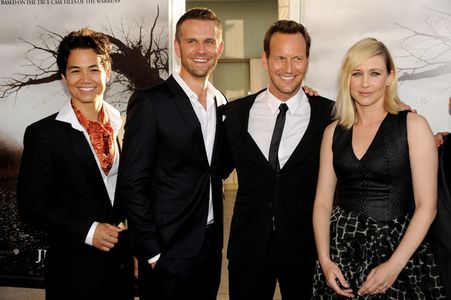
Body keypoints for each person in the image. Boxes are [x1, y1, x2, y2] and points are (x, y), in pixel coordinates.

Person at [311, 37, 445, 298]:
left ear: (389, 77)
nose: (365, 83)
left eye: (374, 73)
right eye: (356, 73)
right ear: (346, 79)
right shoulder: (332, 133)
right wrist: (325, 261)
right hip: (342, 254)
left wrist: (393, 266)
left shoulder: (414, 126)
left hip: (399, 253)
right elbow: (322, 204)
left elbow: (426, 206)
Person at [116, 8, 228, 300]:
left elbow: (217, 168)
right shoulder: (150, 102)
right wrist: (151, 252)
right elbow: (132, 182)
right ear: (177, 47)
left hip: (210, 247)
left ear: (220, 48)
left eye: (208, 42)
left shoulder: (221, 101)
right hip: (167, 252)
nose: (201, 50)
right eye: (192, 41)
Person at [17, 28, 135, 300]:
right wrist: (88, 230)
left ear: (108, 73)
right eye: (75, 71)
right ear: (63, 77)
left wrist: (137, 245)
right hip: (74, 272)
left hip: (121, 269)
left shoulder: (124, 127)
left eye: (94, 69)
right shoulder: (44, 133)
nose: (86, 79)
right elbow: (31, 205)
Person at [224, 20, 334, 300]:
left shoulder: (330, 115)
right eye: (280, 58)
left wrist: (402, 114)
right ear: (265, 59)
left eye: (297, 58)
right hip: (248, 248)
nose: (288, 68)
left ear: (307, 61)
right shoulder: (235, 114)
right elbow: (211, 169)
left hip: (306, 249)